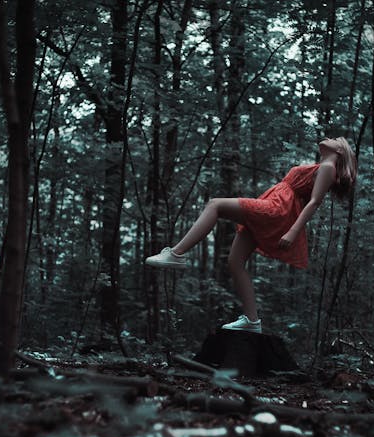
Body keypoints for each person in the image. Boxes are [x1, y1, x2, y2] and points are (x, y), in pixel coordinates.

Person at [145, 137, 358, 334]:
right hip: (276, 204)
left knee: (215, 204)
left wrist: (293, 231)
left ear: (339, 149)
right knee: (235, 261)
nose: (327, 138)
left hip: (277, 209)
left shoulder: (328, 167)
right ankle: (252, 321)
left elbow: (314, 202)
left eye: (333, 139)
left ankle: (177, 254)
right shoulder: (323, 166)